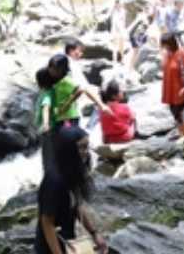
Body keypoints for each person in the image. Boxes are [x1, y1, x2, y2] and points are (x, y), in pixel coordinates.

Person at [36, 126, 107, 254]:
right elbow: (47, 222)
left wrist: (94, 233)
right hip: (51, 246)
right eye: (81, 147)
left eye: (87, 147)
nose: (86, 152)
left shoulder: (72, 170)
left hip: (69, 241)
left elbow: (76, 204)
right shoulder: (54, 180)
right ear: (68, 149)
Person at [159, 32, 184, 139]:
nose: (163, 46)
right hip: (170, 89)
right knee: (175, 113)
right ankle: (182, 135)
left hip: (180, 89)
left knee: (179, 113)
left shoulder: (182, 53)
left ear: (171, 43)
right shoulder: (167, 54)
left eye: (165, 44)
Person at [99, 81, 136, 145]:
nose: (123, 92)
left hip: (108, 140)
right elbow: (131, 120)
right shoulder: (124, 107)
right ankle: (136, 135)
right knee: (134, 116)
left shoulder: (101, 109)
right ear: (114, 96)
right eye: (120, 91)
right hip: (124, 138)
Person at [107, 0, 127, 65]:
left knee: (121, 46)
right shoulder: (113, 11)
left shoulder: (123, 11)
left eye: (119, 4)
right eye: (117, 4)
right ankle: (114, 60)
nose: (118, 5)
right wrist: (113, 8)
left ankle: (122, 60)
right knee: (115, 46)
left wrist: (123, 30)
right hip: (115, 30)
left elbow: (124, 21)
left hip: (121, 30)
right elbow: (109, 16)